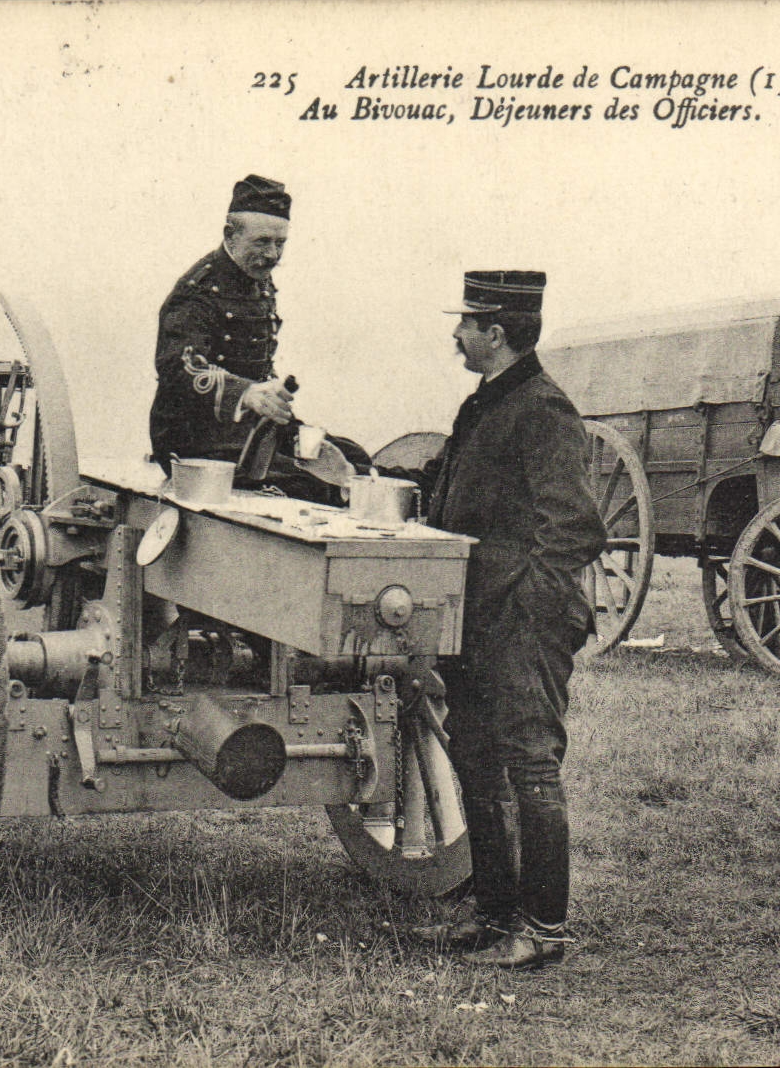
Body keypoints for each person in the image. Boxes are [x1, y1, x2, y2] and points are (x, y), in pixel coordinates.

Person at [411, 270, 606, 969]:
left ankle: (545, 929)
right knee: (476, 762)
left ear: (496, 335)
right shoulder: (484, 405)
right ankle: (494, 916)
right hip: (477, 618)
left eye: (465, 323)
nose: (455, 334)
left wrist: (531, 609)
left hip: (522, 622)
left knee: (529, 767)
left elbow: (574, 527)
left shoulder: (544, 409)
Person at [147, 174, 363, 502]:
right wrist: (246, 393)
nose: (273, 254)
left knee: (353, 457)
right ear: (230, 236)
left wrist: (278, 409)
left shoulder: (258, 279)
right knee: (321, 486)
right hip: (195, 442)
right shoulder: (198, 292)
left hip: (248, 432)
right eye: (262, 242)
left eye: (280, 243)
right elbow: (178, 368)